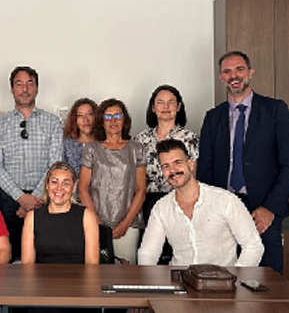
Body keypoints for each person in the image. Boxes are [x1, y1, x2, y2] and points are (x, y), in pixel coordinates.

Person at [197, 51, 289, 273]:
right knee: (223, 276)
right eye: (227, 71)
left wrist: (270, 208)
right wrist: (210, 211)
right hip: (223, 210)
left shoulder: (276, 111)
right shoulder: (212, 118)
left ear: (250, 73)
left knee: (267, 279)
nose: (234, 76)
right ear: (221, 77)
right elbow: (205, 170)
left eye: (239, 69)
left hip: (263, 211)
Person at [138, 139, 263, 266]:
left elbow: (253, 246)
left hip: (222, 277)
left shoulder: (225, 200)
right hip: (178, 276)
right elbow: (148, 253)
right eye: (166, 166)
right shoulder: (161, 207)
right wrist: (151, 278)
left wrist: (235, 276)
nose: (173, 170)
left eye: (178, 162)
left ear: (190, 164)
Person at [0, 66, 64, 261]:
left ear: (37, 88)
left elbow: (55, 164)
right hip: (9, 201)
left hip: (45, 198)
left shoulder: (52, 122)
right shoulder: (0, 125)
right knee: (12, 256)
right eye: (19, 84)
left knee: (44, 256)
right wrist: (21, 197)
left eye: (30, 84)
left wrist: (34, 199)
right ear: (12, 89)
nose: (25, 89)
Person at [134, 85, 198, 263]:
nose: (166, 107)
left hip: (180, 202)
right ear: (153, 107)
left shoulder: (189, 137)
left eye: (171, 102)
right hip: (149, 202)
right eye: (160, 102)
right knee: (151, 253)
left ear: (179, 107)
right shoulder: (141, 139)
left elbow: (193, 174)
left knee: (178, 253)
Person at [78, 98, 146, 264]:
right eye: (108, 117)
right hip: (95, 221)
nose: (113, 121)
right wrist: (97, 222)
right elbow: (83, 189)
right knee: (95, 270)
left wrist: (125, 224)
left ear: (125, 119)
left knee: (126, 269)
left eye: (117, 116)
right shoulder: (91, 148)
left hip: (128, 223)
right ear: (101, 121)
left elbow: (141, 190)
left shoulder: (137, 149)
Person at [20, 161, 100, 264]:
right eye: (54, 182)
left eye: (66, 183)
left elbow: (92, 265)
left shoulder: (87, 216)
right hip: (42, 274)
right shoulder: (32, 217)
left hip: (78, 274)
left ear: (74, 187)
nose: (59, 188)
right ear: (47, 185)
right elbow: (27, 265)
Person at [62, 98, 97, 173]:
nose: (85, 120)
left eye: (89, 114)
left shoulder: (104, 143)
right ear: (75, 120)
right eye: (80, 116)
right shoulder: (66, 144)